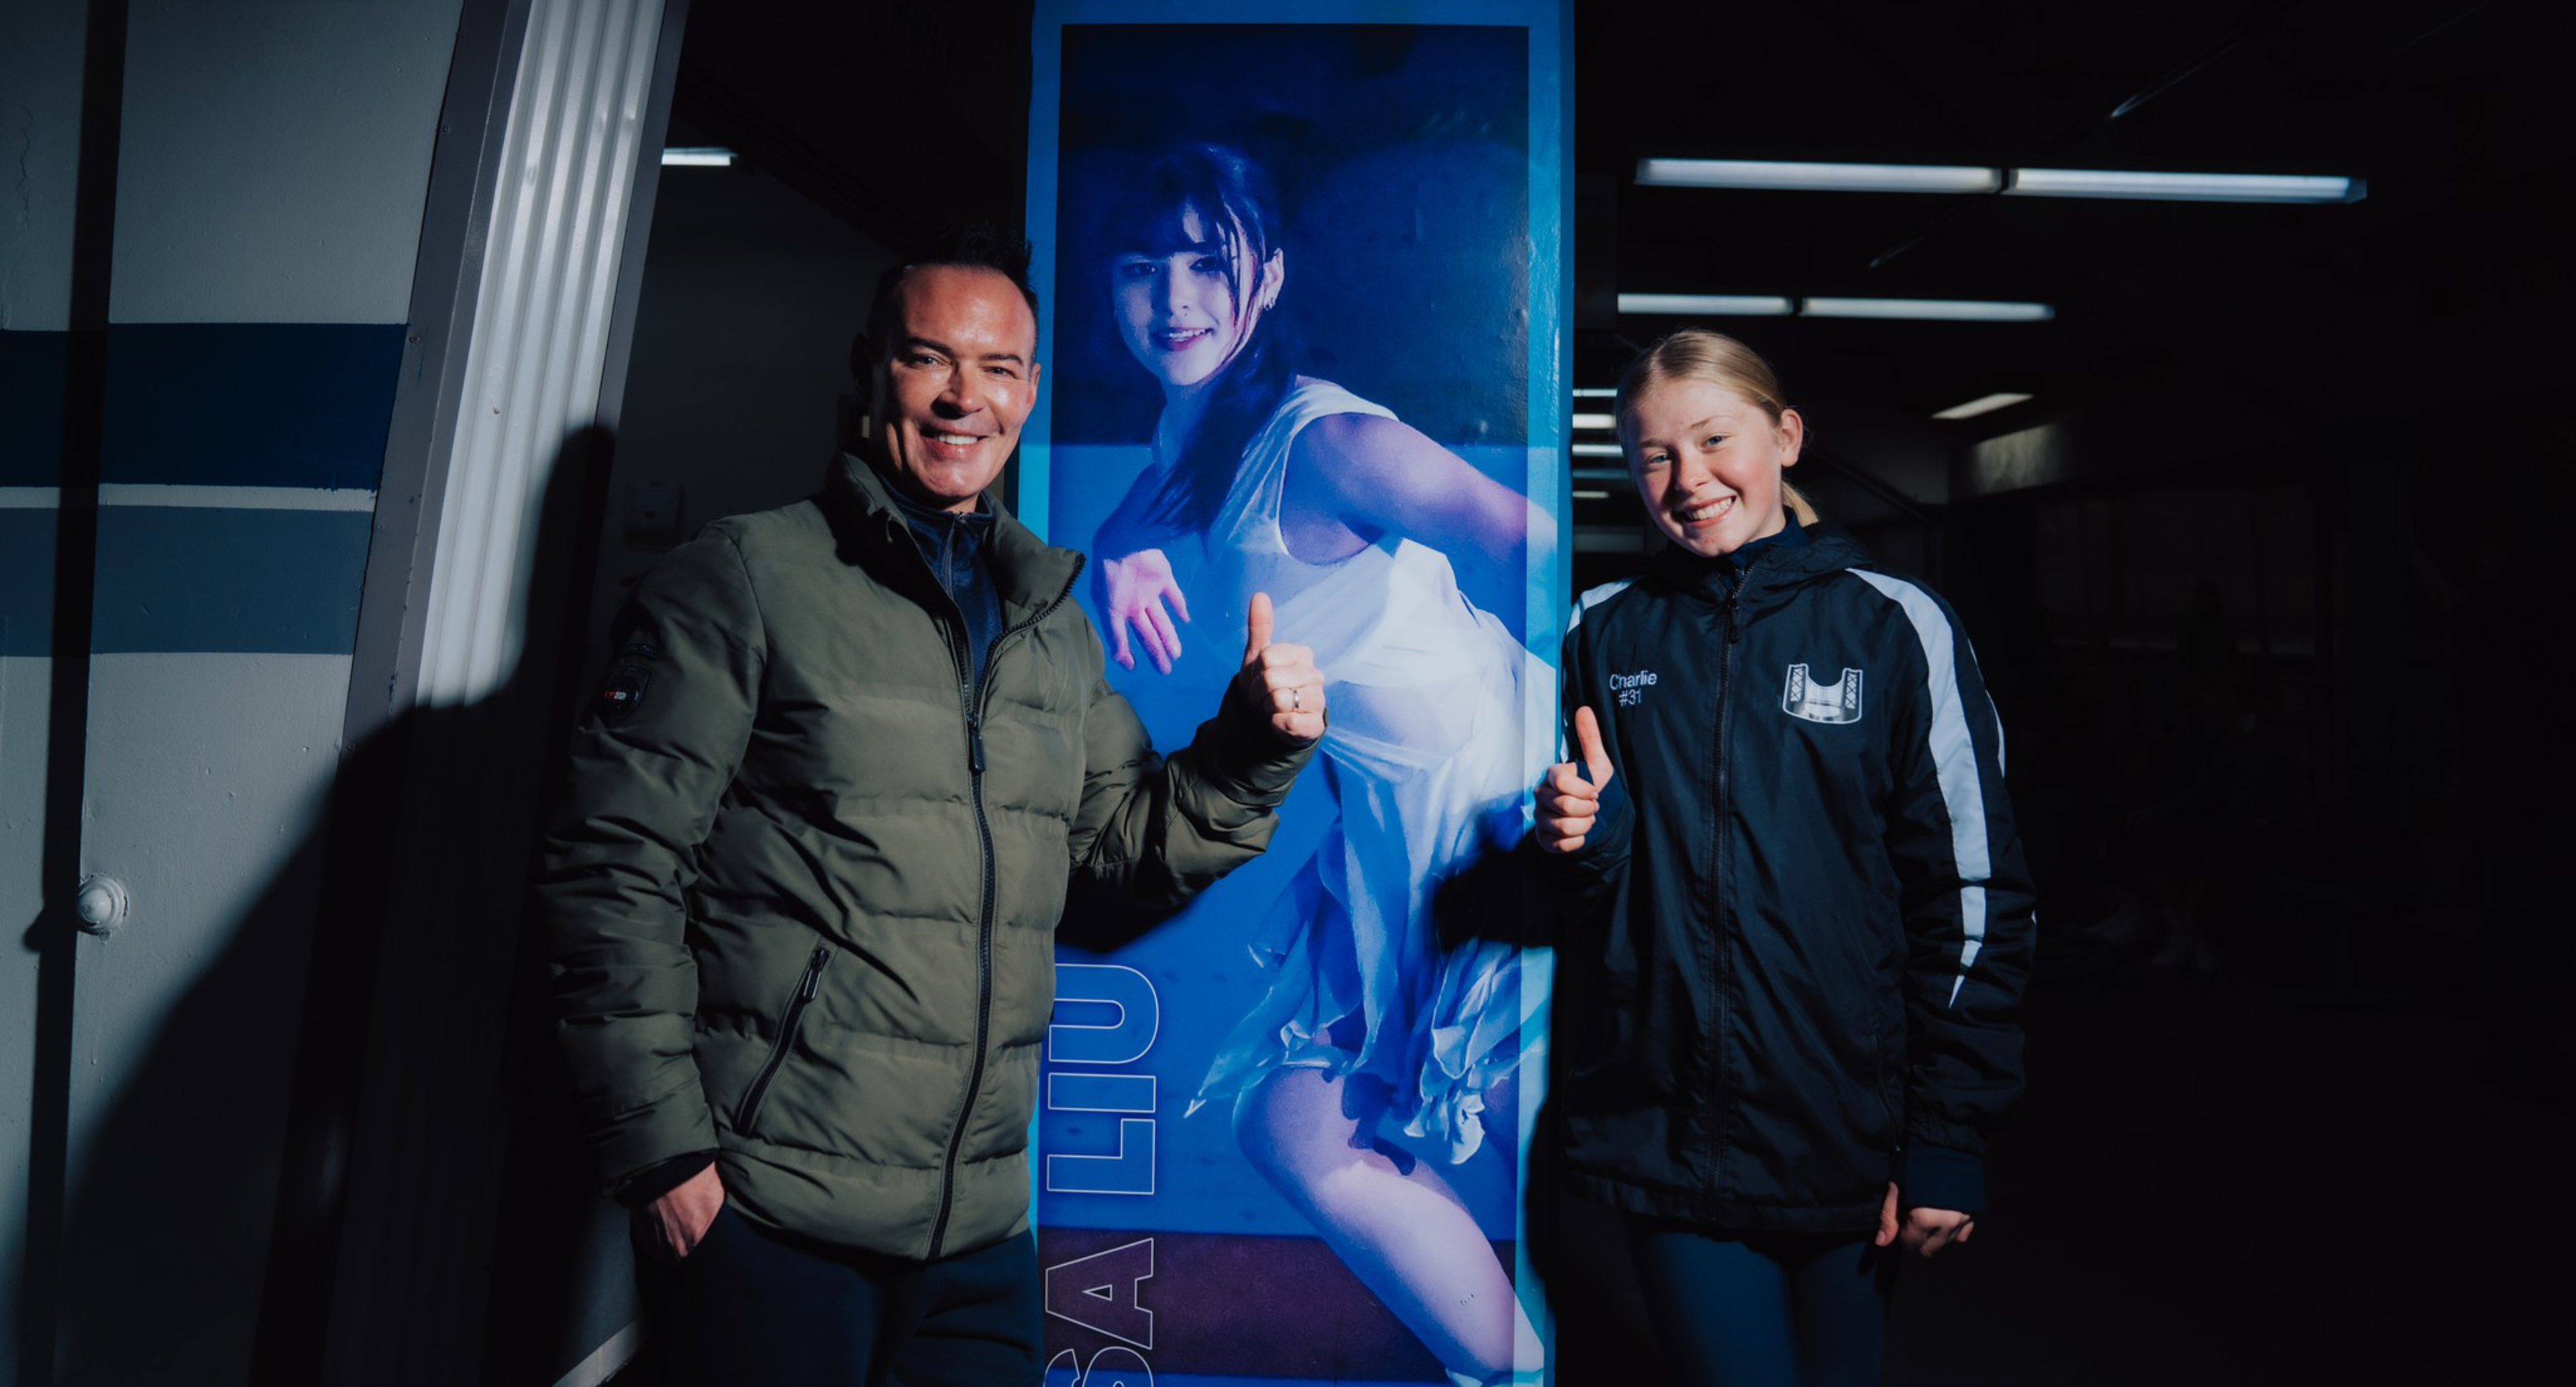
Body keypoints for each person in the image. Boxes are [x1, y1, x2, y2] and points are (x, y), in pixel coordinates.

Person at [535, 228, 1328, 1387]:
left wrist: (1252, 746)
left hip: (976, 1237)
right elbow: (612, 868)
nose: (966, 398)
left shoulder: (1048, 620)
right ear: (870, 373)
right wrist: (663, 1163)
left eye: (999, 368)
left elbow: (1107, 873)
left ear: (1031, 388)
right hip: (768, 1216)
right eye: (928, 360)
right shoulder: (745, 577)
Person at [1086, 144, 1553, 1387]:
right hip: (1395, 833)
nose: (1173, 299)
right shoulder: (1203, 427)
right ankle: (1515, 1372)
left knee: (1572, 1179)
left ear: (1269, 276)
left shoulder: (1334, 442)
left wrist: (1622, 757)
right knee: (1298, 1124)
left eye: (1206, 264)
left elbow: (1538, 552)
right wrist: (1115, 546)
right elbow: (1161, 495)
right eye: (1142, 266)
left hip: (1505, 826)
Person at [1534, 329, 2034, 1387]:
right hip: (1666, 1131)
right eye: (1653, 454)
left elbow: (1974, 895)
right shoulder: (1600, 635)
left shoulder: (1897, 626)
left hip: (1845, 1136)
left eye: (1715, 439)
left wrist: (1944, 1135)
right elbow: (1569, 896)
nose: (1689, 478)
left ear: (1786, 436)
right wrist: (1586, 840)